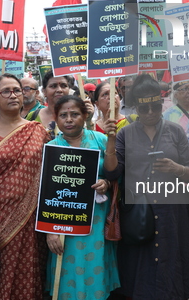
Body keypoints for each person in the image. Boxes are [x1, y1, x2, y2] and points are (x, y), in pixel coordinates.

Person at [105, 73, 189, 299]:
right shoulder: (125, 133)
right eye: (143, 109)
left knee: (172, 270)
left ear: (161, 104)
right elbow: (113, 171)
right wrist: (110, 139)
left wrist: (177, 169)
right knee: (142, 276)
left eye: (155, 108)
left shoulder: (175, 131)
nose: (149, 114)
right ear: (135, 106)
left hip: (172, 214)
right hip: (139, 214)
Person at [0, 74, 49, 299]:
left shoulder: (38, 131)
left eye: (17, 90)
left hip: (31, 223)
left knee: (29, 278)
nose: (13, 95)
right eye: (6, 91)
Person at [45, 95, 120, 298]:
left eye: (75, 114)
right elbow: (45, 193)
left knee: (95, 270)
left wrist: (105, 183)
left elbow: (112, 174)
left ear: (85, 116)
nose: (69, 119)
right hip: (63, 224)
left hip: (95, 219)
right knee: (67, 271)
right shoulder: (51, 148)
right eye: (63, 115)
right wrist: (50, 232)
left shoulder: (100, 139)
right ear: (56, 118)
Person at [27, 71, 93, 139]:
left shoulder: (79, 116)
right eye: (53, 86)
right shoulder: (32, 116)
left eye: (63, 86)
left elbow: (91, 142)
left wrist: (88, 121)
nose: (59, 90)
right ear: (44, 91)